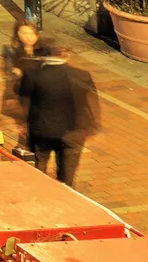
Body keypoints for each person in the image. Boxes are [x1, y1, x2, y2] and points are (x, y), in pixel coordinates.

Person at [21, 40, 104, 189]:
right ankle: (66, 197)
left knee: (39, 166)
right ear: (66, 55)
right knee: (68, 174)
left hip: (41, 131)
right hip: (74, 132)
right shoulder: (81, 75)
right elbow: (92, 102)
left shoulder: (33, 75)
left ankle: (38, 194)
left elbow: (23, 97)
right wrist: (95, 126)